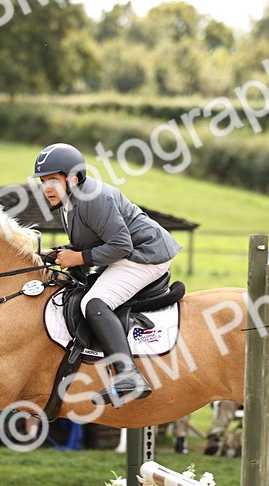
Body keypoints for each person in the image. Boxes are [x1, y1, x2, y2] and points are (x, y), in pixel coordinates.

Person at [33, 142, 183, 406]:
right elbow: (86, 245)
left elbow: (121, 245)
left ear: (73, 178)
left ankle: (129, 376)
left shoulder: (94, 200)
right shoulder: (68, 205)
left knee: (95, 303)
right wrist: (55, 254)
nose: (47, 188)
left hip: (145, 255)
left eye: (53, 180)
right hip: (127, 253)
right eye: (43, 181)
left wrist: (78, 257)